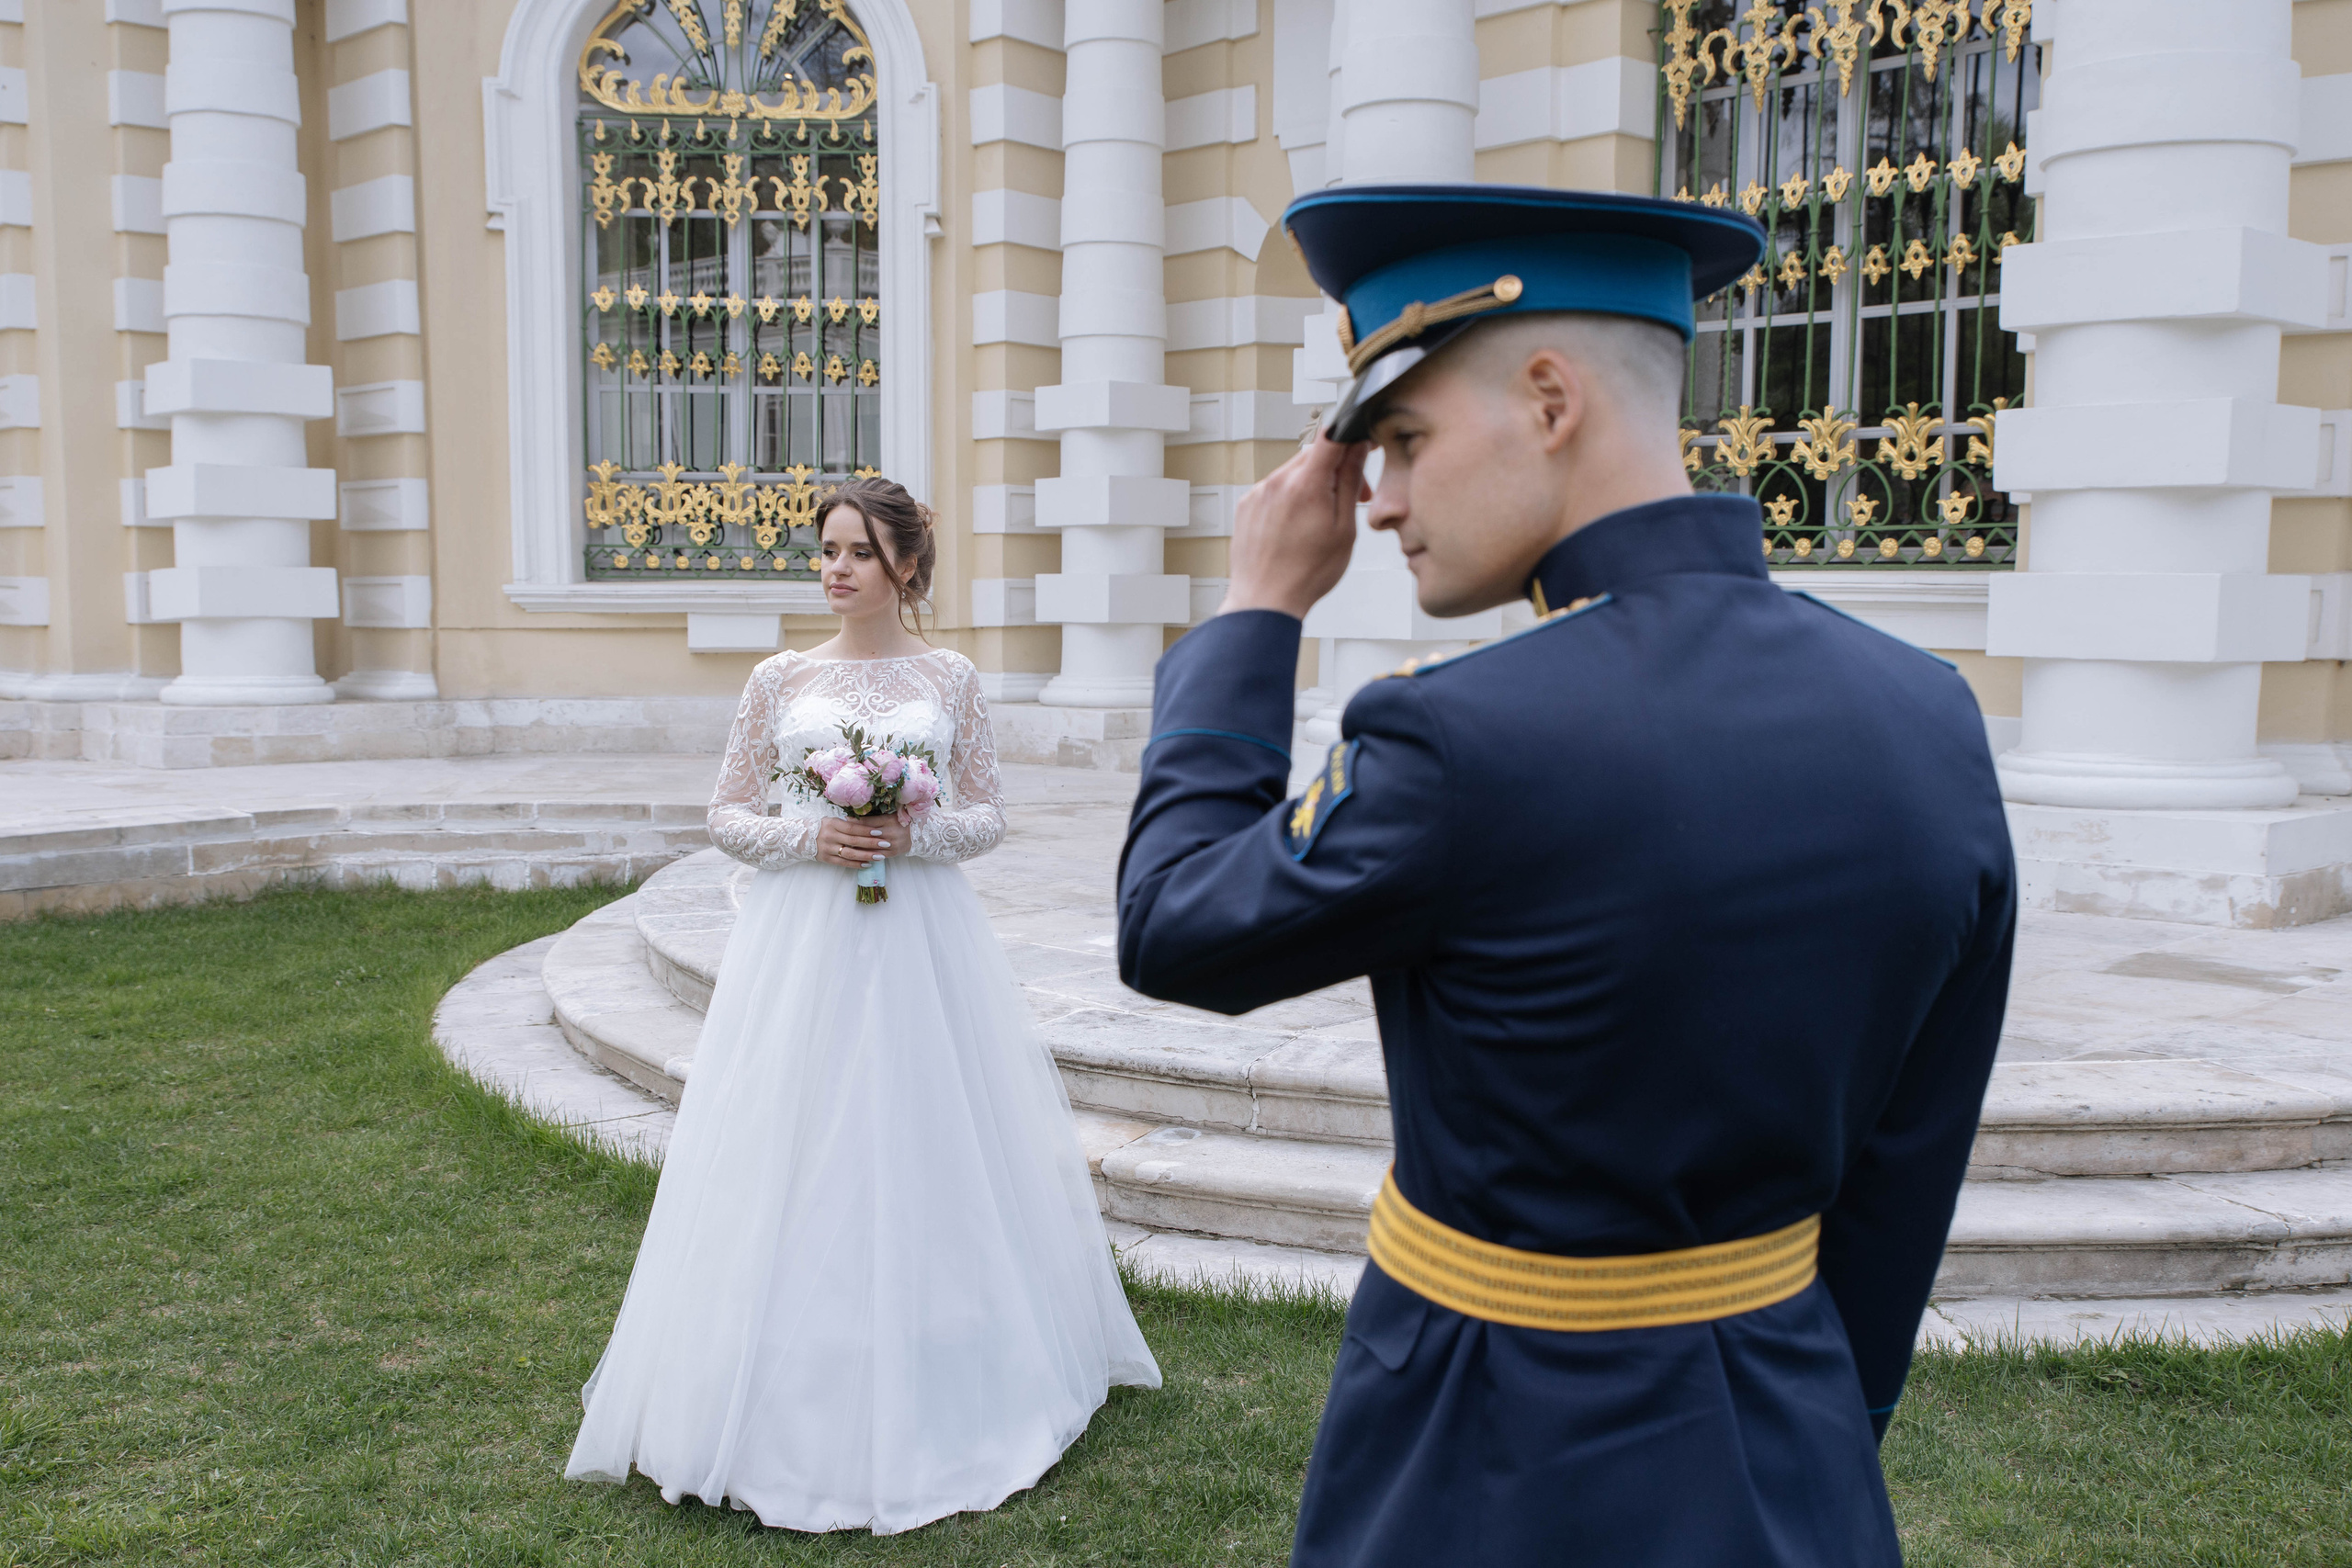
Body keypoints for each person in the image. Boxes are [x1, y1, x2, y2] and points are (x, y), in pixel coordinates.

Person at [1117, 186, 2017, 1565]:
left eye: (1405, 439)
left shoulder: (1457, 733)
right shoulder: (1925, 708)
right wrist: (1833, 1410)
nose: (1381, 504)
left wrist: (1255, 614)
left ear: (1549, 398)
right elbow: (1910, 1153)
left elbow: (1177, 923)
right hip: (1790, 1432)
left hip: (1481, 1445)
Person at [568, 477, 1160, 1533]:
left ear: (907, 569)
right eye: (827, 550)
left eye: (857, 553)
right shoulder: (779, 677)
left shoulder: (952, 678)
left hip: (920, 941)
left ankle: (950, 1354)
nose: (834, 569)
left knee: (924, 1135)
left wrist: (905, 831)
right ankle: (777, 1376)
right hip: (802, 944)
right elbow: (725, 811)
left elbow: (984, 816)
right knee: (795, 1142)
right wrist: (813, 838)